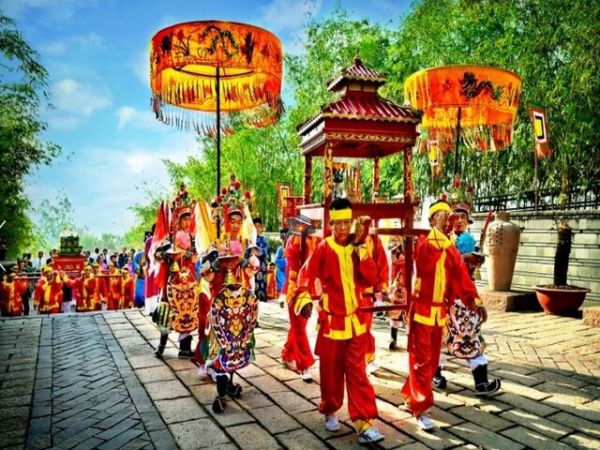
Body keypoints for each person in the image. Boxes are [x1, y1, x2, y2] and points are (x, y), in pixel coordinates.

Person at [292, 198, 385, 445]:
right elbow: (305, 275)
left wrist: (364, 253)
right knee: (331, 372)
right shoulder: (324, 248)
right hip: (332, 322)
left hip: (355, 321)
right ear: (331, 224)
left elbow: (370, 279)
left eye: (346, 222)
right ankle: (331, 409)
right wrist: (304, 299)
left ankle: (364, 422)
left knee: (358, 372)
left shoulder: (359, 245)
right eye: (338, 223)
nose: (343, 228)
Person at [401, 200, 484, 431]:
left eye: (450, 216)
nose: (449, 219)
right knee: (421, 361)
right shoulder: (425, 242)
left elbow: (461, 279)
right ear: (431, 220)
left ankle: (411, 393)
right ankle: (421, 407)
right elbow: (424, 263)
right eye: (443, 215)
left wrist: (475, 301)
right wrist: (443, 241)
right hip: (421, 311)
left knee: (432, 362)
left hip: (439, 313)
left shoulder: (449, 248)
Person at [433, 203, 501, 396]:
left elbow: (467, 274)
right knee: (444, 338)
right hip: (447, 297)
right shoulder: (443, 241)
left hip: (466, 293)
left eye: (463, 217)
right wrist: (463, 259)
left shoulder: (470, 241)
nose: (459, 221)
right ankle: (434, 373)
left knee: (472, 336)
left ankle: (481, 383)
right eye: (456, 217)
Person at [281, 216, 320, 382]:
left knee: (298, 326)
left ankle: (287, 354)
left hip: (308, 289)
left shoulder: (316, 241)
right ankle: (303, 364)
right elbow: (292, 270)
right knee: (298, 327)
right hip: (294, 290)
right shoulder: (293, 242)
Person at [252, 217, 269, 302]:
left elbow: (264, 251)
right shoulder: (251, 239)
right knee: (254, 281)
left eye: (258, 226)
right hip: (252, 264)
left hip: (262, 264)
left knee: (262, 281)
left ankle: (262, 297)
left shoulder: (263, 239)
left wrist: (255, 251)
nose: (257, 228)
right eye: (255, 226)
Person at [274, 228, 288, 300]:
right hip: (282, 271)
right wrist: (285, 260)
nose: (285, 241)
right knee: (280, 274)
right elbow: (276, 261)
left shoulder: (291, 247)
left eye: (286, 238)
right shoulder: (280, 249)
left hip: (289, 270)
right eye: (283, 239)